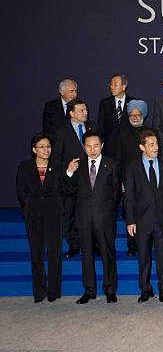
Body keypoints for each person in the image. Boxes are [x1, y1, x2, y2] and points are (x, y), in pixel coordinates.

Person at [124, 129, 163, 303]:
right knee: (143, 258)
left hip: (162, 219)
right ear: (142, 147)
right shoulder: (132, 167)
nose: (156, 147)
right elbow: (129, 196)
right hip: (141, 221)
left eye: (157, 144)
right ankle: (145, 289)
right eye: (151, 144)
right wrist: (130, 220)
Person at [65, 131, 120, 304]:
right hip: (84, 218)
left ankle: (110, 290)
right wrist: (69, 173)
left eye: (96, 145)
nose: (92, 149)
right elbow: (69, 191)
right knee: (86, 255)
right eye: (88, 146)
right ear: (84, 146)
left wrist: (108, 212)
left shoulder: (111, 164)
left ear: (102, 145)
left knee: (108, 254)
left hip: (105, 218)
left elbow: (116, 193)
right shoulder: (77, 165)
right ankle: (89, 290)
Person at [16, 133, 65, 303]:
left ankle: (53, 291)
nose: (46, 150)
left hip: (54, 215)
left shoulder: (57, 166)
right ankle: (39, 291)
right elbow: (21, 192)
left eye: (48, 146)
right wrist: (30, 206)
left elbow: (64, 191)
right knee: (36, 254)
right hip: (34, 216)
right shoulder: (25, 167)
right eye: (42, 146)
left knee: (54, 253)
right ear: (34, 149)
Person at [105, 100, 153, 256]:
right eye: (132, 114)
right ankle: (132, 245)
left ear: (144, 115)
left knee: (147, 213)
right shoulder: (119, 133)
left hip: (148, 180)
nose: (135, 117)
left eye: (138, 114)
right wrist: (120, 181)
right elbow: (115, 159)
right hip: (127, 181)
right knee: (130, 214)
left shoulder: (151, 133)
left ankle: (146, 243)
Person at [52, 99, 99, 258]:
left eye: (86, 110)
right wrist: (67, 171)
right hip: (72, 179)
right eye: (81, 111)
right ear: (71, 113)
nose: (85, 113)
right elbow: (56, 158)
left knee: (94, 212)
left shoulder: (93, 127)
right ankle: (74, 245)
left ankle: (95, 244)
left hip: (92, 178)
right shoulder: (62, 131)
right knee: (70, 213)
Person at [97, 74, 135, 142]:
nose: (112, 87)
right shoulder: (105, 103)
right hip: (110, 146)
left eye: (115, 85)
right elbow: (101, 127)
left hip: (129, 145)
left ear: (124, 87)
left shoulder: (133, 103)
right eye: (111, 85)